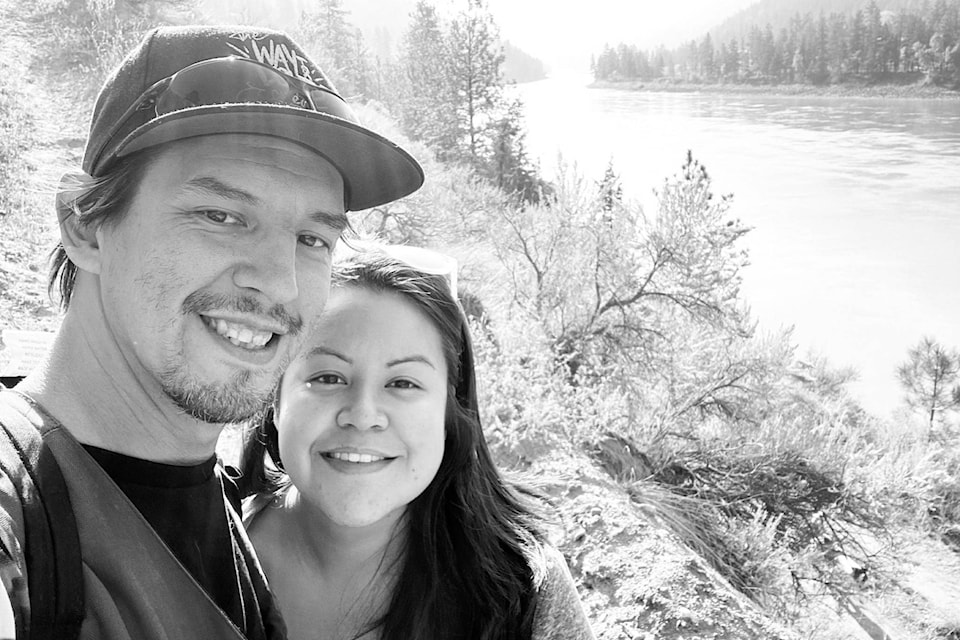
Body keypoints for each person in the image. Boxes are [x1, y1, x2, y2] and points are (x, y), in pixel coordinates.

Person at [0, 25, 423, 640]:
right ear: (85, 225)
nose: (280, 284)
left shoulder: (229, 512)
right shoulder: (20, 518)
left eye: (313, 239)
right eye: (221, 215)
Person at [239, 247, 596, 640]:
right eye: (327, 377)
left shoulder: (523, 591)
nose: (362, 414)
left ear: (449, 411)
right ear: (274, 399)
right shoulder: (198, 555)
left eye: (403, 383)